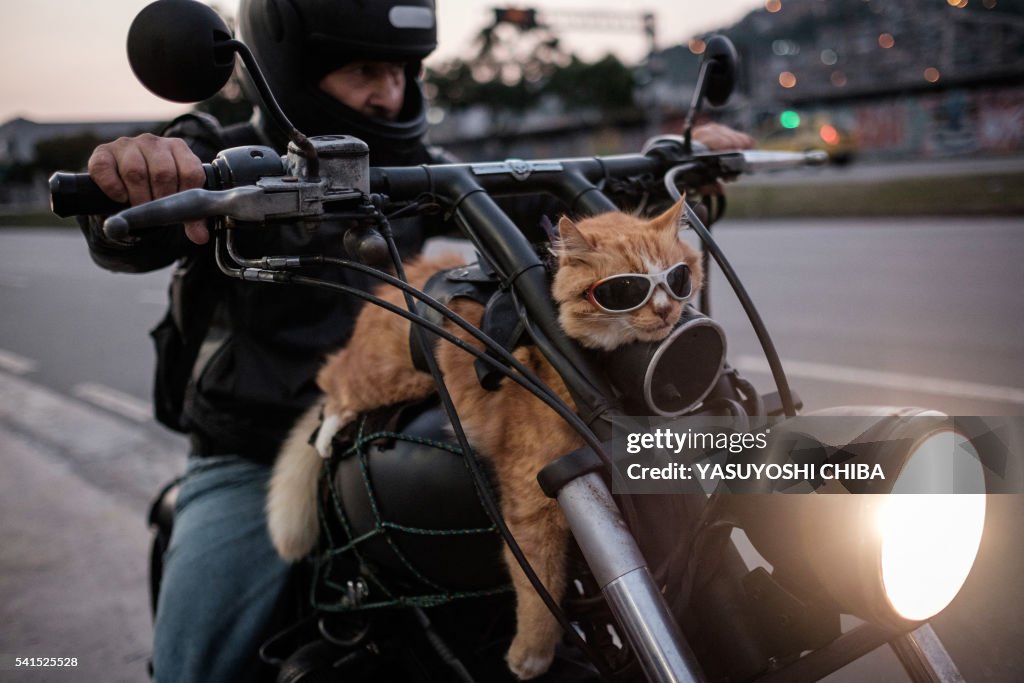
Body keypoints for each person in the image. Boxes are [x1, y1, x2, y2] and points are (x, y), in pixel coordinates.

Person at [80, 0, 754, 679]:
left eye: (403, 68)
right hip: (253, 446)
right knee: (191, 665)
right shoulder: (218, 156)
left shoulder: (416, 163)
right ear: (291, 72)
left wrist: (662, 166)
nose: (391, 90)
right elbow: (129, 226)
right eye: (365, 70)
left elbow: (557, 216)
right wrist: (140, 167)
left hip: (393, 423)